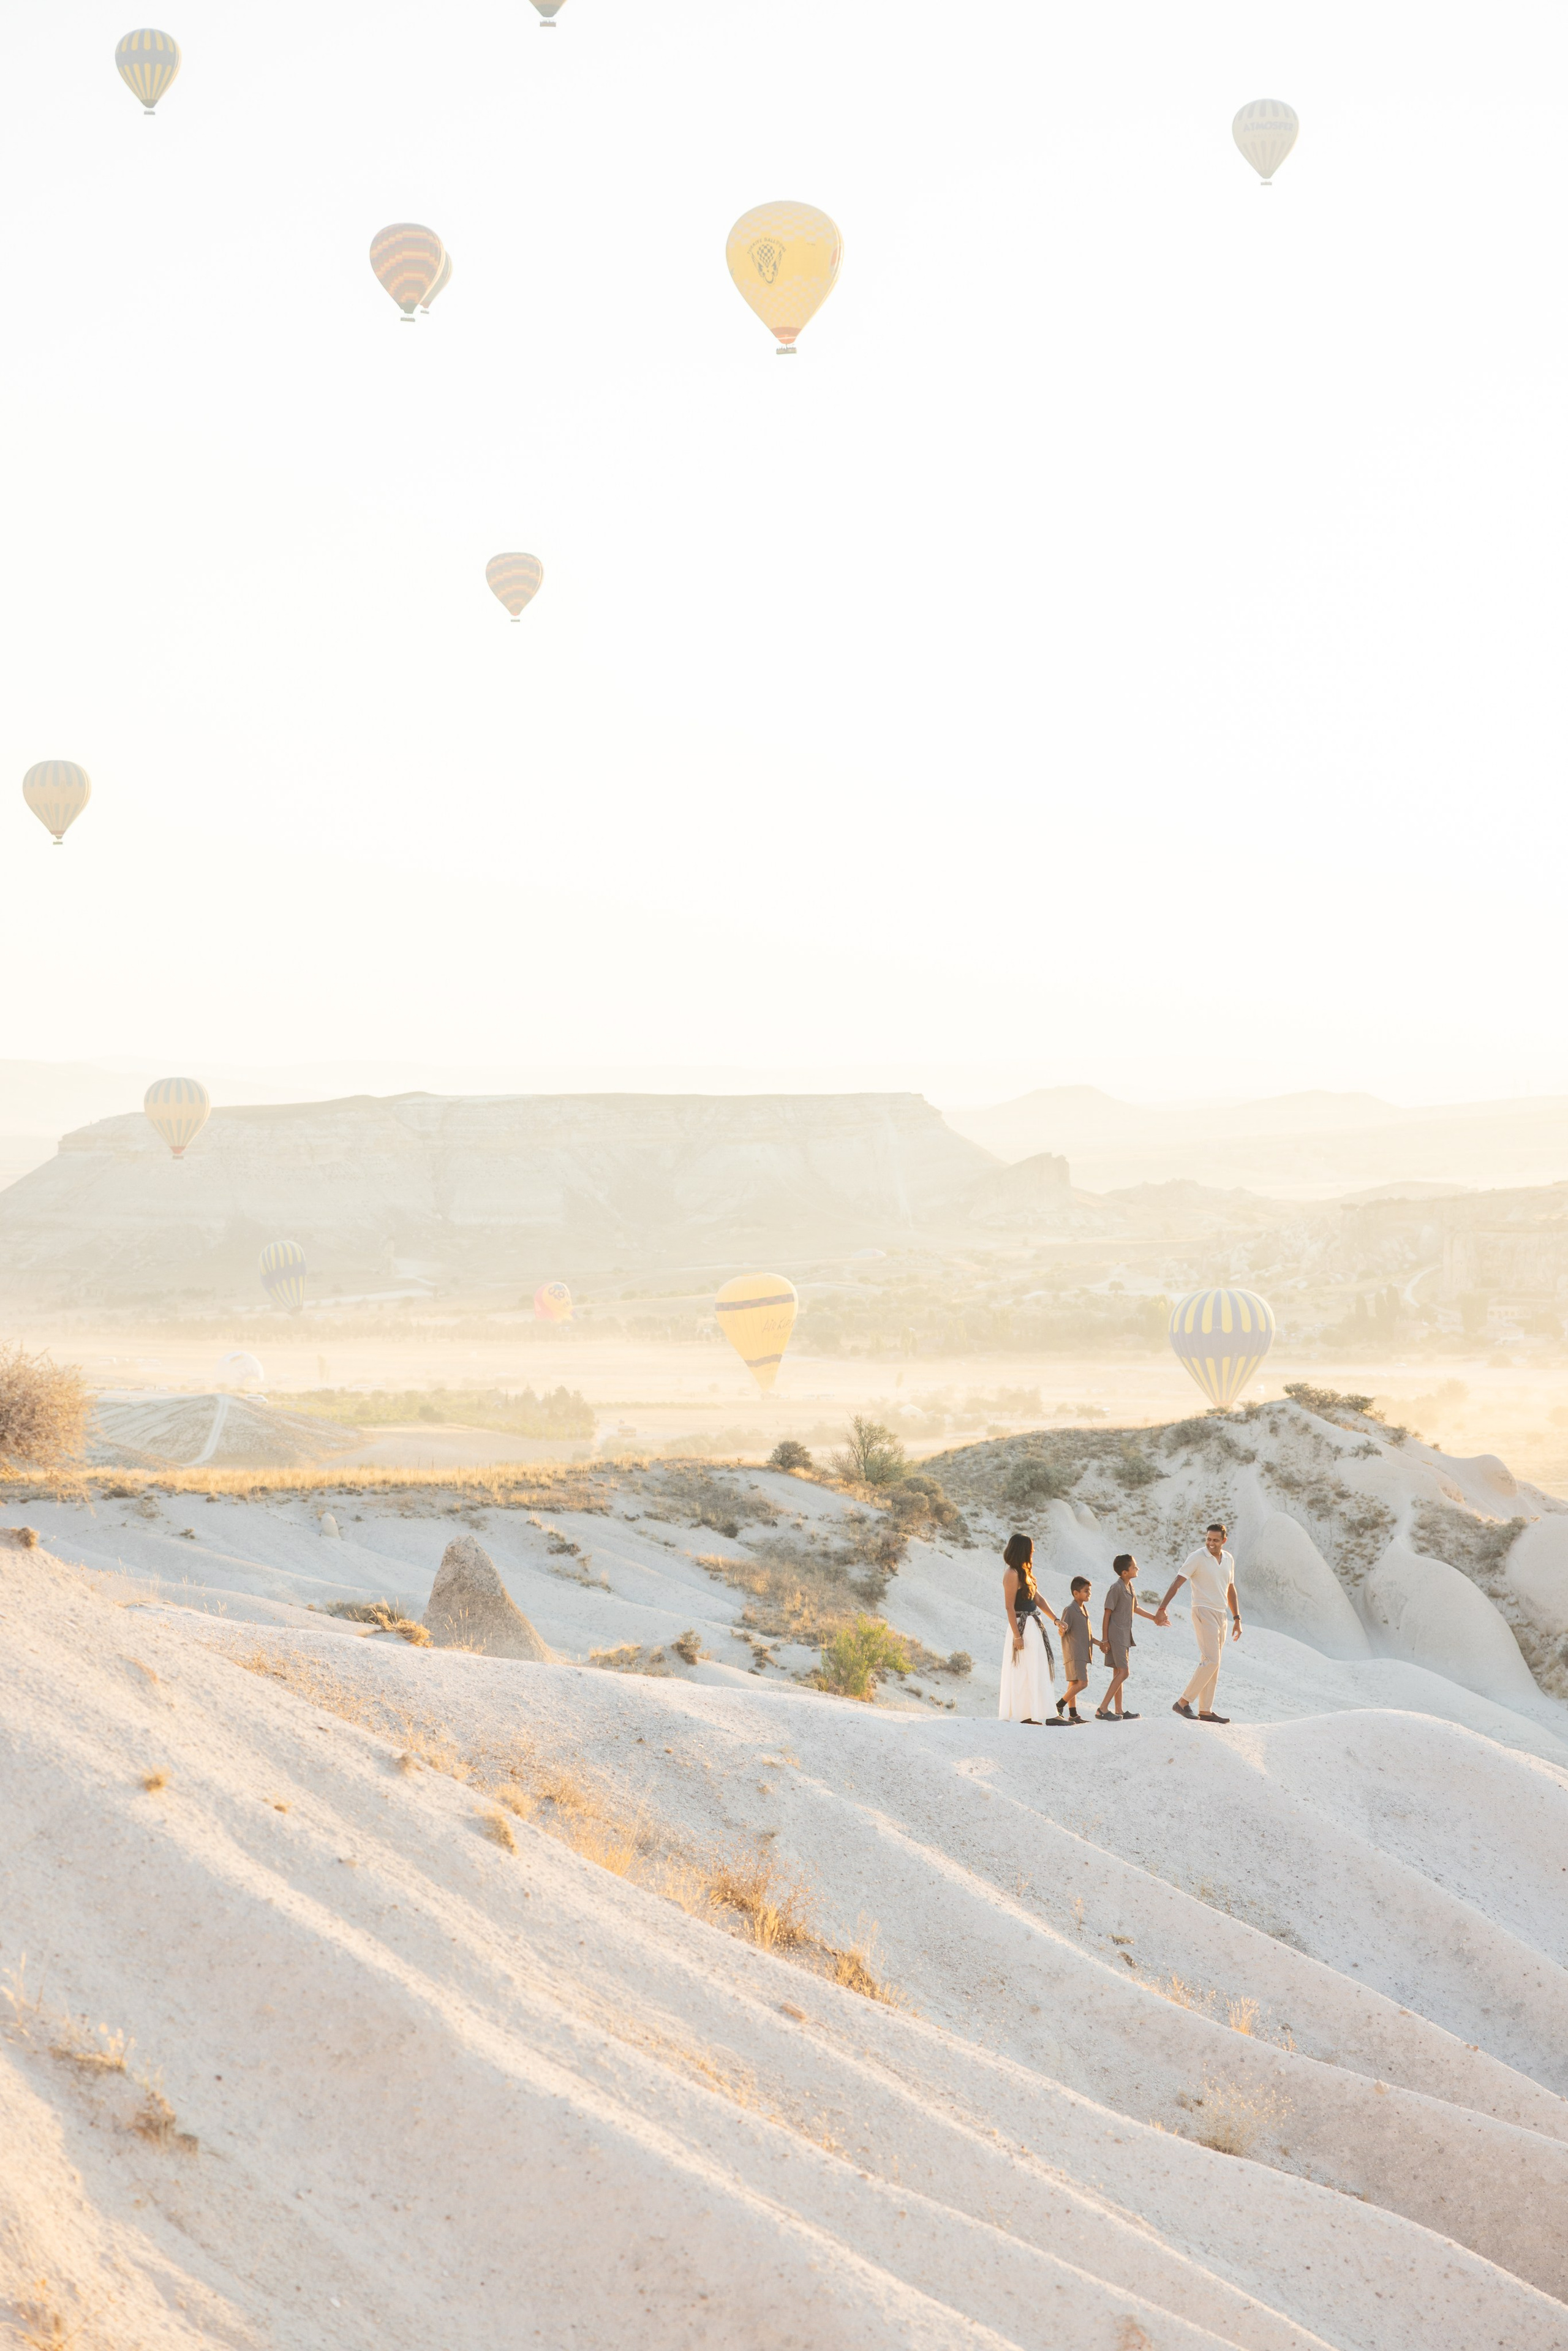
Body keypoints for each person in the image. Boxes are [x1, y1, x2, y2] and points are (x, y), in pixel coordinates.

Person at [1155, 1522, 1242, 1723]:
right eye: (1208, 1539)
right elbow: (1178, 1582)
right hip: (1203, 1611)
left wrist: (1237, 1618)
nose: (1211, 1543)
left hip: (1222, 1615)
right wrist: (1162, 1609)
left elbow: (1231, 1589)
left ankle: (1205, 1710)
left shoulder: (1228, 1559)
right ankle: (1183, 1702)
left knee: (1214, 1663)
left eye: (1216, 1540)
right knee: (1211, 1660)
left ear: (1224, 1541)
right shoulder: (1197, 1557)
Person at [998, 1531, 1064, 1726]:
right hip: (1021, 1626)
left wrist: (1056, 1620)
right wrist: (1017, 1637)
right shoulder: (1012, 1574)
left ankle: (1047, 1713)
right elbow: (1010, 1607)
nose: (1033, 1552)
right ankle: (1025, 1715)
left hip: (1034, 1625)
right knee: (1024, 1669)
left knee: (1039, 1667)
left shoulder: (1026, 1573)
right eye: (1031, 1550)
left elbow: (1038, 1599)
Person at [1096, 1553, 1159, 1720]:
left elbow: (1136, 1608)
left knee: (1118, 1672)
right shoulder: (1116, 1588)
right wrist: (1105, 1639)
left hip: (1125, 1635)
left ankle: (1118, 1710)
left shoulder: (1130, 1587)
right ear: (1125, 1572)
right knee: (1124, 1672)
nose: (1137, 1568)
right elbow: (1107, 1614)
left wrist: (1154, 1618)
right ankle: (1102, 1709)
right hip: (1116, 1635)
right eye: (1134, 1567)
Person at [1055, 1575, 1096, 1723]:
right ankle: (1058, 1706)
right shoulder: (1070, 1610)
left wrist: (1099, 1643)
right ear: (1076, 1593)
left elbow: (1086, 1634)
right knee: (1083, 1683)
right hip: (1074, 1652)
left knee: (1073, 1683)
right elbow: (1063, 1629)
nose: (1089, 1593)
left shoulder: (1083, 1609)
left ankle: (1073, 1715)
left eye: (1089, 1591)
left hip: (1083, 1652)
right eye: (1086, 1591)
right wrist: (1061, 1630)